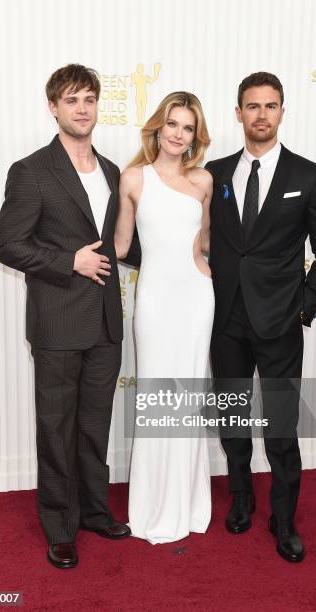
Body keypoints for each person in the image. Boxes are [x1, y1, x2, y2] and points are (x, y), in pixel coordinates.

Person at [0, 64, 133, 570]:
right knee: (56, 429)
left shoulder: (114, 171)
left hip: (105, 323)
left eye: (90, 99)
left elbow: (121, 244)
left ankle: (96, 512)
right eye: (72, 100)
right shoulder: (30, 171)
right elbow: (8, 245)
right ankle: (60, 527)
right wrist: (67, 261)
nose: (82, 108)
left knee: (95, 427)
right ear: (53, 107)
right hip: (56, 323)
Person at [206, 72, 316, 562]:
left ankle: (284, 520)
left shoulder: (310, 176)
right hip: (226, 320)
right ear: (237, 113)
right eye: (252, 106)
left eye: (270, 105)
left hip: (280, 321)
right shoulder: (214, 173)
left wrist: (304, 306)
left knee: (281, 427)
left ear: (282, 112)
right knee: (233, 414)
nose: (261, 114)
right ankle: (241, 495)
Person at [115, 92, 214, 543]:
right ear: (158, 127)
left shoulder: (204, 182)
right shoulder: (133, 178)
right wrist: (63, 256)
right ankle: (154, 506)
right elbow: (119, 246)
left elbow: (208, 243)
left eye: (187, 127)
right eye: (172, 124)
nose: (178, 134)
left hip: (196, 297)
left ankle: (188, 503)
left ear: (196, 136)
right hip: (154, 299)